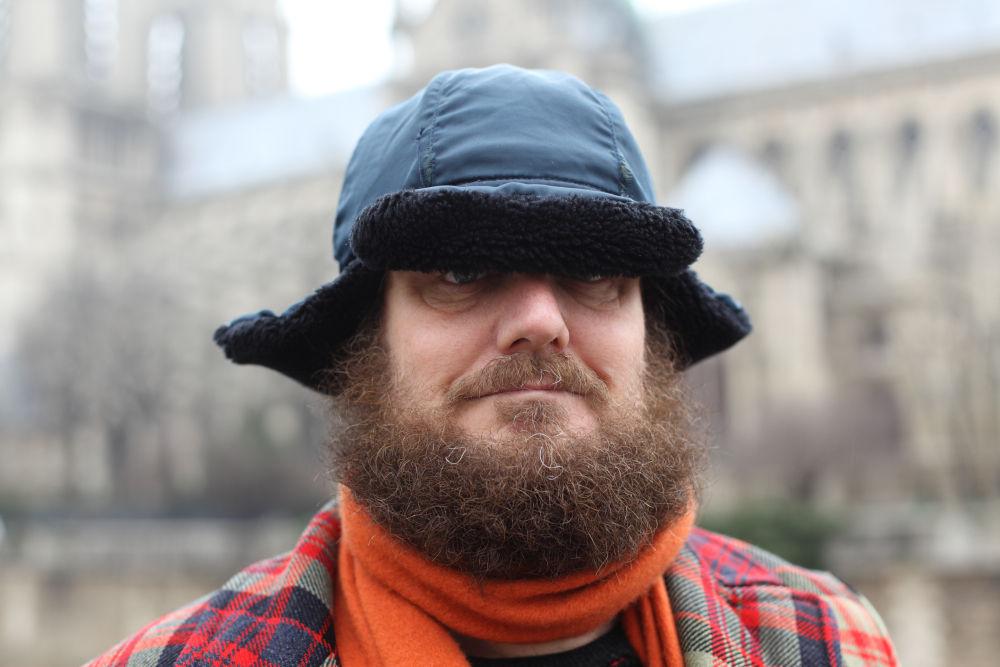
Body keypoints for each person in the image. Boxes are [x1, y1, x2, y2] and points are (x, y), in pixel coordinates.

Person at [86, 66, 897, 667]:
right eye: (462, 272)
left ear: (652, 334)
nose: (540, 321)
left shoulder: (830, 639)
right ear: (366, 341)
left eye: (595, 271)